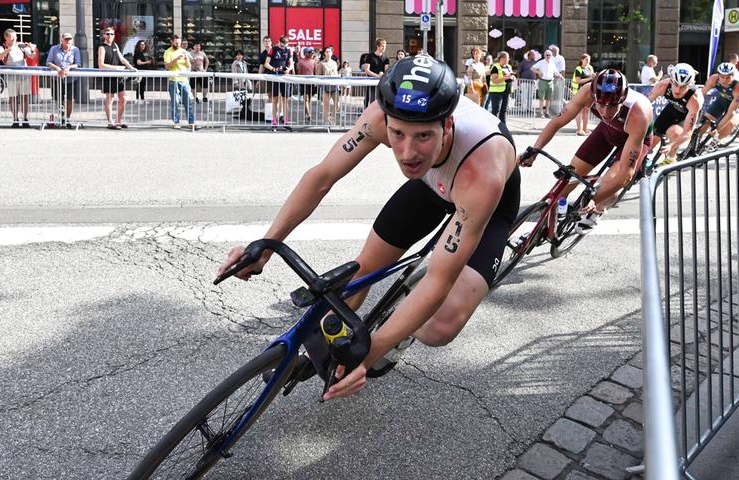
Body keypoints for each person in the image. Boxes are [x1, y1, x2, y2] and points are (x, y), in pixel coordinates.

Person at [216, 55, 521, 400]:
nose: (407, 152)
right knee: (361, 272)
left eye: (423, 135)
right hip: (431, 184)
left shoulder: (483, 171)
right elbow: (321, 177)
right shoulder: (379, 118)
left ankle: (403, 323)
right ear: (386, 121)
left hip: (483, 202)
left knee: (439, 326)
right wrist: (267, 245)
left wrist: (369, 356)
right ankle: (321, 344)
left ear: (447, 125)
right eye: (397, 134)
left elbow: (440, 279)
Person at [520, 69, 653, 233]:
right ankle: (542, 228)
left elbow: (625, 175)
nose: (604, 112)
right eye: (600, 105)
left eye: (612, 107)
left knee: (610, 182)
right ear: (594, 96)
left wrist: (595, 200)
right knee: (570, 177)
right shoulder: (587, 92)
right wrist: (535, 150)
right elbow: (557, 122)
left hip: (634, 138)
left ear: (622, 99)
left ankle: (597, 212)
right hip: (607, 131)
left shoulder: (638, 113)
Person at [647, 63, 703, 164]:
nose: (677, 91)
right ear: (671, 81)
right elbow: (645, 103)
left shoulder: (695, 99)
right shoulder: (663, 85)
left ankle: (671, 158)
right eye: (675, 84)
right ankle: (645, 159)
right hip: (672, 109)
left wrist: (671, 146)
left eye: (683, 87)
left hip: (686, 115)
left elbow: (687, 133)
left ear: (690, 85)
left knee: (675, 133)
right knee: (653, 139)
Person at [97, 27, 136, 129]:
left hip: (118, 76)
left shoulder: (115, 45)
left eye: (112, 34)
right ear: (104, 35)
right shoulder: (102, 47)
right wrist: (117, 68)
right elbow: (101, 65)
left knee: (123, 99)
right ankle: (110, 122)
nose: (110, 36)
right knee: (110, 99)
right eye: (108, 34)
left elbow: (122, 59)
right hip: (109, 76)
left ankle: (118, 121)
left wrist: (131, 68)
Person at [700, 62, 739, 143]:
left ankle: (716, 141)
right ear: (718, 75)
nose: (724, 80)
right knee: (706, 120)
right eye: (722, 77)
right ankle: (696, 141)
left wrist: (717, 129)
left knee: (730, 124)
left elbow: (731, 112)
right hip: (723, 100)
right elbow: (701, 94)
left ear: (733, 76)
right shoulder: (714, 79)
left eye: (728, 77)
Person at [0, 29, 33, 127]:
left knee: (25, 97)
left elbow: (32, 56)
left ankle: (25, 119)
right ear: (6, 38)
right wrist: (8, 50)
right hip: (11, 76)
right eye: (12, 37)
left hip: (24, 75)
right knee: (13, 98)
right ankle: (15, 119)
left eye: (15, 36)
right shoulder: (2, 47)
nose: (15, 39)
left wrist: (31, 48)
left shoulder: (20, 45)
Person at [46, 32, 82, 128]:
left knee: (70, 99)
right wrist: (57, 68)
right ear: (61, 40)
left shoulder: (75, 50)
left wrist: (69, 67)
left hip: (71, 78)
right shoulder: (54, 49)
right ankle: (61, 118)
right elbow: (48, 62)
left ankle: (67, 119)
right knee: (58, 99)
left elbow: (78, 63)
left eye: (69, 39)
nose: (68, 41)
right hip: (56, 78)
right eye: (66, 39)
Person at [164, 34, 196, 130]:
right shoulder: (167, 52)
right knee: (175, 102)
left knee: (188, 102)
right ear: (172, 42)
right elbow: (167, 66)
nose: (178, 45)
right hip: (173, 80)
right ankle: (176, 121)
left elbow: (188, 65)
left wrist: (186, 59)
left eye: (179, 43)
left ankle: (191, 122)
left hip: (184, 80)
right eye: (176, 43)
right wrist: (176, 59)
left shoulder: (183, 51)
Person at [263, 35, 293, 129]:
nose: (283, 47)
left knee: (285, 99)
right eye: (282, 45)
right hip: (275, 76)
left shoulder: (288, 50)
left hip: (285, 77)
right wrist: (274, 69)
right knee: (275, 99)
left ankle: (286, 121)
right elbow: (266, 64)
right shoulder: (273, 49)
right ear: (279, 42)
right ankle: (274, 121)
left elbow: (291, 63)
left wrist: (288, 69)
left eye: (285, 45)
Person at [531, 49, 562, 118]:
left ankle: (547, 112)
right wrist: (538, 72)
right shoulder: (541, 62)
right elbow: (532, 68)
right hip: (543, 81)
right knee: (541, 98)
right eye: (547, 55)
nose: (548, 56)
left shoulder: (552, 63)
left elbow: (556, 72)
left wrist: (561, 76)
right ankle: (541, 112)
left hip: (550, 82)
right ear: (544, 55)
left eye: (549, 55)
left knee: (549, 98)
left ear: (551, 56)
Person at [487, 51, 515, 122]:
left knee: (504, 110)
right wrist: (506, 77)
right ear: (502, 58)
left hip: (507, 91)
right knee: (496, 110)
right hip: (496, 92)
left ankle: (503, 128)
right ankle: (493, 126)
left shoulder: (509, 66)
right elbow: (494, 80)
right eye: (507, 58)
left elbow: (511, 75)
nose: (509, 59)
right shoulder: (495, 67)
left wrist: (513, 78)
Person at [571, 53, 594, 135]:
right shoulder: (578, 69)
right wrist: (590, 78)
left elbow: (591, 78)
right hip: (578, 92)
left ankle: (585, 128)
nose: (588, 61)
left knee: (587, 110)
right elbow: (578, 80)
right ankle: (579, 129)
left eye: (589, 60)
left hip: (588, 92)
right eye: (586, 59)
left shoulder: (590, 67)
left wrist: (593, 77)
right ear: (582, 60)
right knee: (579, 111)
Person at [316, 45, 340, 125]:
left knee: (337, 104)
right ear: (324, 53)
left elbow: (336, 73)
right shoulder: (321, 63)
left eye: (329, 51)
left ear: (332, 53)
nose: (328, 53)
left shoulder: (334, 63)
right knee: (326, 105)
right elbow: (318, 75)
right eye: (326, 51)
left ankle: (332, 118)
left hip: (334, 85)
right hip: (325, 86)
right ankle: (326, 122)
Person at [363, 38, 389, 107]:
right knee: (372, 99)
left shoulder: (385, 57)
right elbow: (367, 70)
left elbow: (386, 70)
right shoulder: (370, 56)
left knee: (381, 100)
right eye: (382, 46)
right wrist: (377, 76)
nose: (384, 48)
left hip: (381, 82)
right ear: (377, 46)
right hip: (371, 82)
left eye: (385, 46)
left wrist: (382, 74)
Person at [296, 46, 317, 121]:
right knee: (306, 99)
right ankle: (308, 114)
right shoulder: (301, 62)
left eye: (312, 52)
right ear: (305, 54)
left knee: (310, 99)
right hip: (303, 82)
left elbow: (315, 73)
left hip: (311, 83)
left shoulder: (314, 61)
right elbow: (299, 73)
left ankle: (306, 113)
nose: (312, 53)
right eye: (310, 52)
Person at [517, 50, 538, 114]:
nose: (534, 56)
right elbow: (519, 72)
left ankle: (529, 108)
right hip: (524, 81)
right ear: (529, 55)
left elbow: (538, 71)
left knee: (531, 96)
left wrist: (536, 79)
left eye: (534, 55)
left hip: (532, 82)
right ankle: (523, 108)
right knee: (524, 95)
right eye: (533, 55)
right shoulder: (523, 62)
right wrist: (518, 80)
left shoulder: (535, 62)